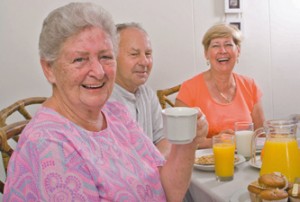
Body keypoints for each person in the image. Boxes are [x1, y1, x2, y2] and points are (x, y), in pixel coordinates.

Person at [3, 2, 208, 201]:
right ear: (49, 69)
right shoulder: (48, 144)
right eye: (80, 59)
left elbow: (167, 190)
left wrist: (187, 143)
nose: (99, 72)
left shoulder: (115, 113)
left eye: (105, 57)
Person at [175, 23, 265, 148]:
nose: (222, 51)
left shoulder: (250, 86)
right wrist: (217, 141)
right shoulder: (189, 89)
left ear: (238, 51)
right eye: (216, 46)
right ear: (206, 53)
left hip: (245, 161)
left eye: (228, 45)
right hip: (204, 164)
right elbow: (179, 141)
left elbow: (261, 135)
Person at [109, 22, 170, 158]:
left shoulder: (147, 93)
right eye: (134, 54)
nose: (144, 62)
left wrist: (151, 167)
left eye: (148, 54)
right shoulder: (101, 99)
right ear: (112, 57)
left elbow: (164, 139)